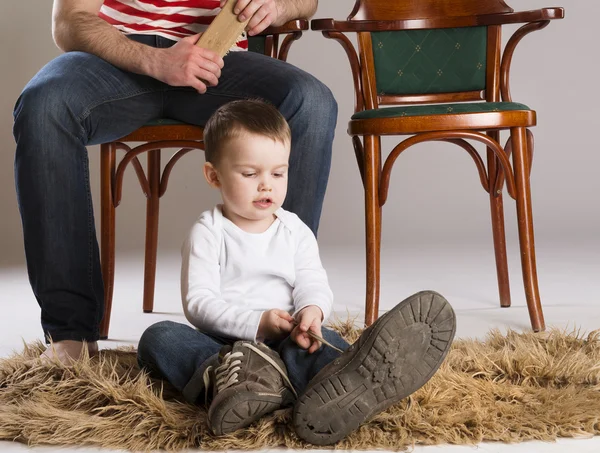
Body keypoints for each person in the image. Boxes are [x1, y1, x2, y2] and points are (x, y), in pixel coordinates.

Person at [13, 0, 337, 364]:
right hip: (119, 59)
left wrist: (280, 6)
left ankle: (288, 321)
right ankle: (70, 333)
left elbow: (305, 2)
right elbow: (69, 22)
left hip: (218, 61)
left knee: (312, 102)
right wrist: (158, 62)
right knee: (43, 107)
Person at [137, 99, 457, 445]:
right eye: (250, 174)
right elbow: (199, 303)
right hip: (227, 348)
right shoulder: (209, 231)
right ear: (213, 175)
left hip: (288, 335)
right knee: (159, 338)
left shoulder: (294, 229)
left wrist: (311, 312)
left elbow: (311, 280)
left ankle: (344, 382)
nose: (266, 186)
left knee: (323, 341)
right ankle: (247, 384)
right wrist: (257, 323)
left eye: (278, 173)